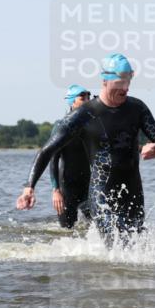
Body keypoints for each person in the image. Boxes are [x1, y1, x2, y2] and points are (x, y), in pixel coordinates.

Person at [16, 53, 155, 242]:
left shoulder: (137, 108)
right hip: (102, 194)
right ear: (105, 81)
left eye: (129, 80)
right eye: (120, 82)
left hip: (133, 193)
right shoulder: (84, 114)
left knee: (136, 246)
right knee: (115, 248)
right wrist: (29, 187)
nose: (126, 87)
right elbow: (48, 151)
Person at [50, 84, 93, 229]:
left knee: (97, 227)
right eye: (82, 97)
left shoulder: (93, 125)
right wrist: (56, 191)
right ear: (72, 102)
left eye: (88, 97)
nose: (87, 100)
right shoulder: (61, 126)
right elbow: (53, 160)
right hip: (67, 186)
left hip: (88, 185)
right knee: (67, 231)